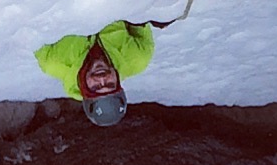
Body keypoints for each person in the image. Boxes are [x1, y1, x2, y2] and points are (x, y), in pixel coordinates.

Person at [34, 19, 173, 126]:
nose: (102, 78)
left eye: (96, 87)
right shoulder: (137, 58)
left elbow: (33, 26)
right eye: (110, 84)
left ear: (84, 89)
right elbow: (141, 17)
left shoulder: (53, 62)